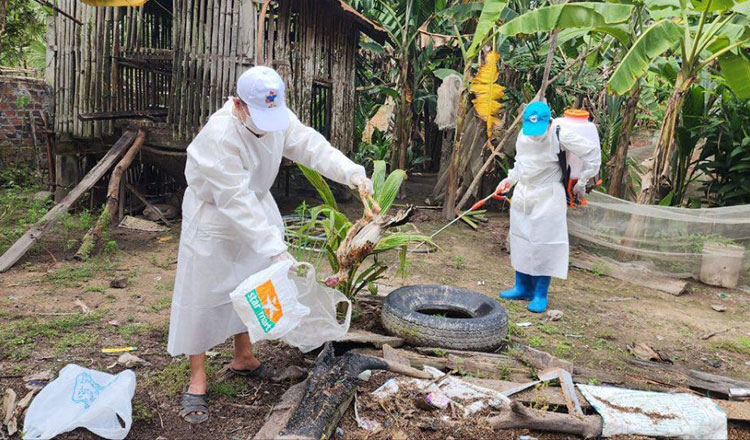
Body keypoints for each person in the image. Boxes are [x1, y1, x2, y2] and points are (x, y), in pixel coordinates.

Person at [167, 66, 373, 424]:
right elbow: (235, 201)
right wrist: (276, 249)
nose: (267, 123)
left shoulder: (276, 116)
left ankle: (244, 357)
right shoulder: (220, 136)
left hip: (257, 208)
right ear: (238, 104)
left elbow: (310, 145)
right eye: (259, 115)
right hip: (215, 217)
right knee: (201, 295)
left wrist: (351, 172)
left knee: (253, 282)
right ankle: (197, 378)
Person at [497, 101, 600, 313]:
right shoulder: (524, 135)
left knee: (544, 243)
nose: (535, 134)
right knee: (521, 238)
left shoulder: (559, 134)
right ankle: (522, 286)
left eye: (538, 129)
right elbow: (520, 163)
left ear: (548, 121)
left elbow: (591, 153)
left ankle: (540, 293)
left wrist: (582, 181)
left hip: (548, 195)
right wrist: (509, 180)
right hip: (524, 193)